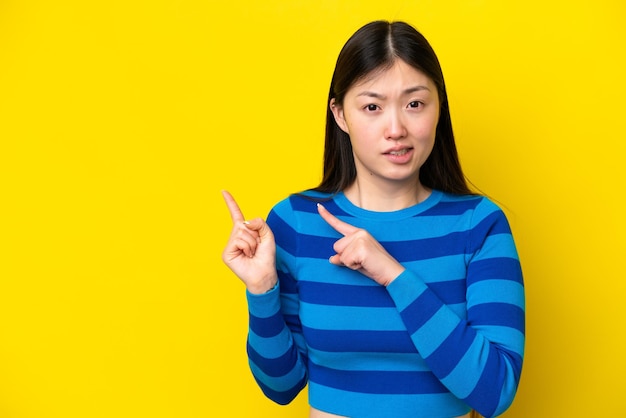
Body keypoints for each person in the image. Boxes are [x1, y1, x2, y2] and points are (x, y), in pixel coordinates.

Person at [221, 20, 525, 418]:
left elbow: (496, 391)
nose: (396, 129)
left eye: (415, 103)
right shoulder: (295, 223)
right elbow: (281, 385)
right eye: (372, 107)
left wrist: (392, 275)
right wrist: (262, 290)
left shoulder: (478, 225)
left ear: (439, 108)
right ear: (340, 114)